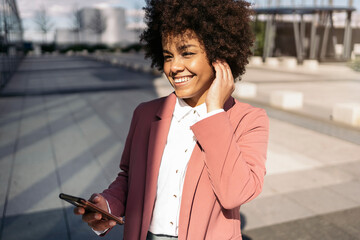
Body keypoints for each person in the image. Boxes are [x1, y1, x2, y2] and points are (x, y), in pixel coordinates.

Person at [74, 0, 269, 239]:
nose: (174, 66)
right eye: (168, 56)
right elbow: (129, 176)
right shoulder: (146, 114)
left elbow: (236, 193)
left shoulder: (249, 120)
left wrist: (216, 113)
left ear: (219, 56)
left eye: (187, 53)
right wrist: (108, 205)